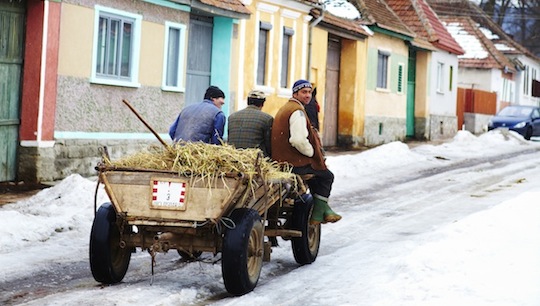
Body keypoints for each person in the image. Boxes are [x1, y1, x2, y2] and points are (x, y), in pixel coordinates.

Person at [271, 79, 341, 224]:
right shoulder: (297, 112)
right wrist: (312, 154)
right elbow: (298, 140)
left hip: (282, 159)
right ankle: (318, 212)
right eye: (304, 92)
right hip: (292, 162)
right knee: (326, 176)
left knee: (316, 176)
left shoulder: (287, 107)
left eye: (309, 92)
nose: (308, 95)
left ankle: (323, 210)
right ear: (295, 93)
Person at [227, 90, 274, 158]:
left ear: (248, 102)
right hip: (254, 160)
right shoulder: (267, 119)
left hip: (233, 158)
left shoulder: (232, 117)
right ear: (262, 104)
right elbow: (269, 146)